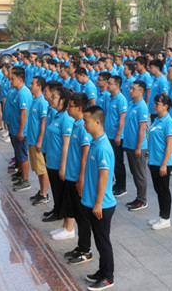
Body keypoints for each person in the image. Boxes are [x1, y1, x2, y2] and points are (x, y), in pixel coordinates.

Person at [80, 105, 117, 290]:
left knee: (103, 242)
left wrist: (98, 203)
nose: (84, 124)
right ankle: (102, 272)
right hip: (93, 202)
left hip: (102, 204)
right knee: (99, 240)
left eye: (86, 121)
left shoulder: (102, 147)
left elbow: (104, 178)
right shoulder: (95, 142)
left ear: (97, 122)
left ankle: (108, 277)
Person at [59, 92, 90, 254]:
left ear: (79, 108)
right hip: (71, 176)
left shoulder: (84, 128)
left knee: (82, 216)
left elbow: (85, 155)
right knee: (77, 214)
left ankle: (85, 250)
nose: (68, 109)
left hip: (78, 178)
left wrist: (81, 179)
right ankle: (81, 246)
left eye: (70, 106)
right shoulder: (76, 124)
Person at [42, 85, 72, 225]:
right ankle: (56, 209)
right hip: (51, 160)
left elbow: (66, 144)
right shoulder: (56, 114)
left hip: (59, 162)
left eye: (54, 97)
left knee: (60, 190)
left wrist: (63, 166)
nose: (51, 99)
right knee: (55, 188)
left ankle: (60, 214)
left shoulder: (66, 118)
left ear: (62, 101)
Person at [148, 93, 172, 230]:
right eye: (154, 103)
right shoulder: (157, 120)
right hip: (154, 161)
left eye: (157, 103)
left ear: (165, 106)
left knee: (164, 190)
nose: (154, 105)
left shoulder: (168, 122)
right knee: (158, 190)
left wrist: (164, 164)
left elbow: (169, 145)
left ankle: (166, 218)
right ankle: (161, 215)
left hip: (163, 162)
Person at [122, 80, 149, 211]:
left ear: (141, 92)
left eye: (133, 89)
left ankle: (143, 200)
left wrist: (138, 147)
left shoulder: (142, 106)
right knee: (134, 172)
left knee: (140, 174)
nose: (130, 91)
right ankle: (138, 197)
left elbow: (142, 129)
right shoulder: (131, 103)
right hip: (129, 144)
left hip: (138, 146)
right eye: (130, 88)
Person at [26, 76, 51, 205]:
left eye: (33, 84)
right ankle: (41, 191)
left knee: (42, 169)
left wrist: (40, 141)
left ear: (39, 86)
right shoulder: (34, 100)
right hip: (32, 140)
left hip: (37, 142)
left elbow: (43, 122)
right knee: (38, 169)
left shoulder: (43, 102)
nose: (30, 85)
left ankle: (45, 194)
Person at [104, 76, 128, 197]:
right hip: (108, 134)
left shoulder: (121, 99)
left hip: (116, 136)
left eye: (110, 83)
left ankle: (121, 186)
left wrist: (118, 135)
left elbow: (122, 118)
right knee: (111, 162)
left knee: (118, 162)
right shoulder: (109, 98)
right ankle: (116, 184)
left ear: (117, 86)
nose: (107, 85)